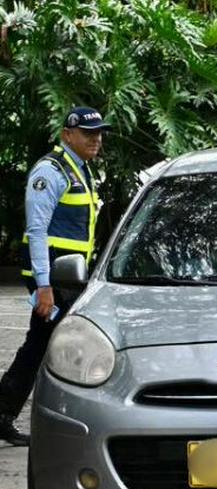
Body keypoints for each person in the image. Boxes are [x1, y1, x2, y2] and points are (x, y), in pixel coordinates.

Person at [0, 107, 109, 446]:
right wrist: (44, 286)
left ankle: (6, 412)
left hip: (69, 278)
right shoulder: (51, 171)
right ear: (67, 135)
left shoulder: (82, 170)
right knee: (46, 344)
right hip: (50, 278)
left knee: (46, 344)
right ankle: (7, 413)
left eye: (99, 133)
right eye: (88, 133)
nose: (96, 139)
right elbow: (37, 230)